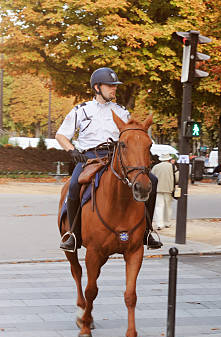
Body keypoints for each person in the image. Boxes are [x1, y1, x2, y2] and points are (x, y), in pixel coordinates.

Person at [55, 67, 162, 251]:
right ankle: (73, 234)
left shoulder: (121, 111)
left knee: (152, 180)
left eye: (115, 86)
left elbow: (132, 137)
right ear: (97, 87)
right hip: (89, 157)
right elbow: (61, 135)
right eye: (110, 86)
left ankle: (147, 231)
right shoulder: (81, 110)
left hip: (116, 156)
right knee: (73, 185)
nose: (114, 89)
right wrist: (72, 150)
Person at [151, 153, 178, 230]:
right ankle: (167, 223)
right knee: (168, 207)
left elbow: (152, 177)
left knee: (159, 207)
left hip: (158, 189)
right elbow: (177, 178)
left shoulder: (156, 167)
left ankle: (160, 224)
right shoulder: (172, 166)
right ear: (168, 159)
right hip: (169, 189)